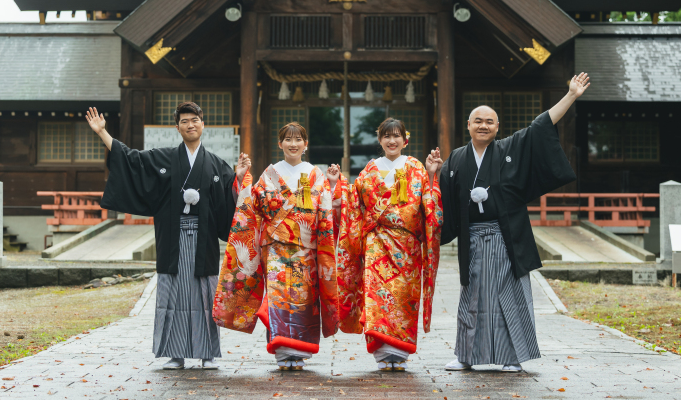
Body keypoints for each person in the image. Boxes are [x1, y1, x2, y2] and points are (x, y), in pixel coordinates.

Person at [440, 73, 590, 372]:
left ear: (497, 127)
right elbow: (441, 199)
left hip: (505, 236)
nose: (483, 125)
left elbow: (540, 126)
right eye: (478, 121)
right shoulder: (456, 159)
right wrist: (433, 172)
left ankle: (512, 357)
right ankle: (466, 355)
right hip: (472, 238)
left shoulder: (510, 148)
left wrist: (571, 95)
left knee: (510, 294)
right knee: (472, 297)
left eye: (490, 122)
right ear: (468, 125)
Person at [86, 103, 250, 370]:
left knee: (204, 296)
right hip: (172, 240)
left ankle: (207, 352)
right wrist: (103, 133)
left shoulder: (217, 164)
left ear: (202, 124)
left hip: (203, 242)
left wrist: (238, 178)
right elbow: (130, 159)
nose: (190, 125)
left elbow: (228, 202)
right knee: (173, 294)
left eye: (195, 120)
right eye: (184, 121)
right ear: (177, 128)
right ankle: (176, 354)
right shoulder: (162, 158)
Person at [213, 122, 338, 371]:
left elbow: (324, 209)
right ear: (280, 144)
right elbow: (252, 206)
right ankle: (282, 351)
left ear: (306, 144)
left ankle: (300, 351)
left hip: (306, 249)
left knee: (304, 300)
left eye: (298, 140)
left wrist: (333, 186)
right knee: (279, 299)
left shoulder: (315, 174)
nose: (293, 144)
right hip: (276, 249)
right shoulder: (269, 174)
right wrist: (241, 179)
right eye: (288, 140)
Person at [333, 117, 443, 371]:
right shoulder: (370, 170)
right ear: (380, 140)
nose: (392, 141)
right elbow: (353, 201)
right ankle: (382, 352)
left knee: (404, 298)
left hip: (407, 246)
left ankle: (400, 352)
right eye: (386, 136)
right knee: (376, 298)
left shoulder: (416, 167)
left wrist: (431, 173)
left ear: (406, 139)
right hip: (376, 243)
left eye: (396, 136)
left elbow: (429, 202)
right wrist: (336, 186)